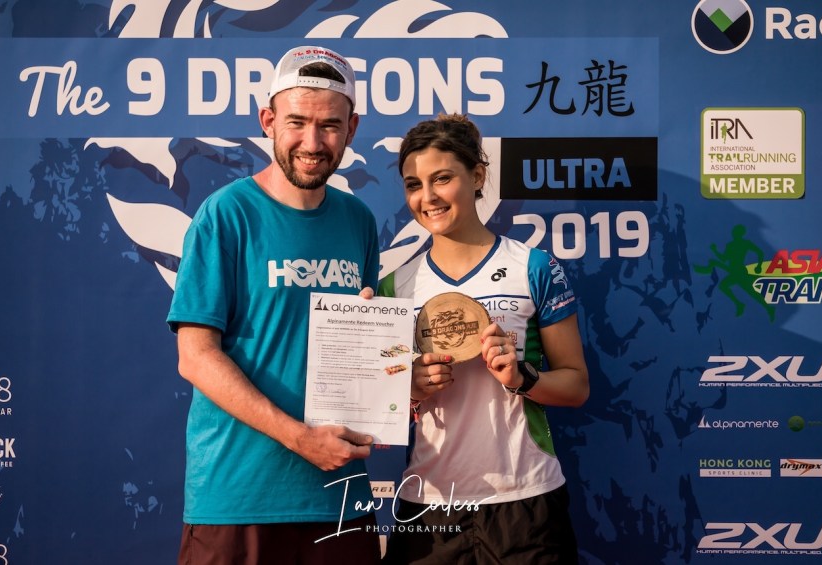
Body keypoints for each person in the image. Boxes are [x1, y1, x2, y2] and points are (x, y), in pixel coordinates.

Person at [167, 46, 382, 564]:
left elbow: (365, 360)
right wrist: (300, 438)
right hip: (238, 499)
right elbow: (195, 357)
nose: (313, 142)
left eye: (329, 126)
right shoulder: (225, 215)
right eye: (297, 122)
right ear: (268, 121)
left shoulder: (358, 220)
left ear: (352, 129)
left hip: (339, 498)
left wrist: (393, 372)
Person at [378, 114, 589, 564]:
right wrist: (408, 388)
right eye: (413, 185)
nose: (427, 197)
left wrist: (522, 377)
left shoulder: (533, 267)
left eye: (442, 178)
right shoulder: (394, 285)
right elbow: (377, 408)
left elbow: (576, 386)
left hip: (526, 499)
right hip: (429, 504)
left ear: (477, 176)